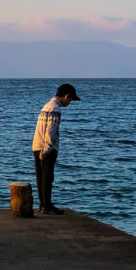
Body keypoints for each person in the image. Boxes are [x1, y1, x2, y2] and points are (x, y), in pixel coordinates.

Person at [32, 83, 80, 215]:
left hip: (37, 145)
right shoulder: (55, 109)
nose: (70, 103)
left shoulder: (46, 106)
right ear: (66, 96)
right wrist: (47, 150)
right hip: (47, 147)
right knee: (48, 177)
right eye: (70, 100)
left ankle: (42, 204)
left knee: (40, 177)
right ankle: (47, 205)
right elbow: (51, 132)